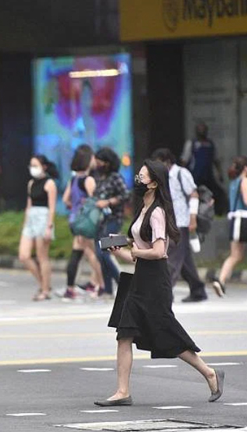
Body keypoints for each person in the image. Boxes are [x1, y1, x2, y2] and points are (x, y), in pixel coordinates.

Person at [96, 159, 224, 407]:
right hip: (140, 279)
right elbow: (137, 255)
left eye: (142, 176)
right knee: (124, 333)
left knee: (165, 333)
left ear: (153, 183)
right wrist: (118, 250)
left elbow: (158, 251)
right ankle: (122, 392)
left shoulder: (157, 212)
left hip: (155, 282)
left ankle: (210, 373)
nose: (137, 180)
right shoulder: (143, 210)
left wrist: (134, 252)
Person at [152, 148, 208, 302]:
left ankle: (165, 293)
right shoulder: (163, 177)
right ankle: (198, 290)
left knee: (173, 258)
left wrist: (192, 218)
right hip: (169, 221)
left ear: (167, 161)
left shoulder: (181, 173)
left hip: (181, 221)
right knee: (185, 260)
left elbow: (194, 195)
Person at [62, 145, 104, 300]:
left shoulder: (73, 179)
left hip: (74, 221)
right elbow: (95, 200)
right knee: (94, 254)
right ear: (87, 161)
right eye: (92, 158)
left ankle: (70, 288)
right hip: (86, 223)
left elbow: (65, 199)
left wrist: (74, 207)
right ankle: (101, 285)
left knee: (77, 253)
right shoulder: (88, 180)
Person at [19, 155, 58, 301]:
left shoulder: (49, 183)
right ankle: (43, 284)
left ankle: (45, 290)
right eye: (31, 165)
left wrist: (49, 226)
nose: (32, 168)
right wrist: (25, 223)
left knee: (42, 256)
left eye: (35, 165)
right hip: (31, 218)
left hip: (43, 218)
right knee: (24, 255)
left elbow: (52, 208)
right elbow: (28, 205)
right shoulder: (31, 183)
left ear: (44, 167)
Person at [93, 147, 130, 298]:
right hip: (101, 221)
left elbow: (126, 195)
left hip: (114, 219)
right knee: (100, 254)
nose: (97, 165)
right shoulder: (100, 178)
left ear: (107, 163)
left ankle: (123, 286)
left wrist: (109, 202)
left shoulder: (115, 177)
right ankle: (108, 289)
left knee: (104, 252)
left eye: (99, 162)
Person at [212, 155, 247, 297]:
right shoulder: (244, 181)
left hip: (234, 220)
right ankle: (220, 281)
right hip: (243, 220)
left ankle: (220, 281)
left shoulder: (233, 182)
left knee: (236, 255)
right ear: (245, 168)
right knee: (236, 255)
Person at [181, 122, 227, 215]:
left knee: (217, 193)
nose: (202, 131)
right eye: (199, 129)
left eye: (203, 129)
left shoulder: (210, 144)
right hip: (194, 176)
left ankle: (217, 212)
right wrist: (182, 176)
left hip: (208, 176)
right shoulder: (191, 143)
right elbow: (184, 160)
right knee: (193, 195)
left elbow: (216, 160)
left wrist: (220, 173)